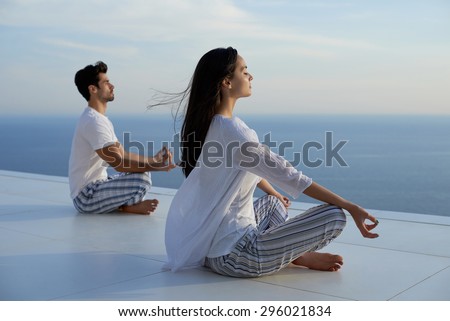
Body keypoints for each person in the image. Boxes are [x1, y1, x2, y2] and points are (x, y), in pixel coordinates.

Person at [164, 47, 379, 277]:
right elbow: (293, 177)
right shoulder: (236, 133)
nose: (250, 76)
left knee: (274, 202)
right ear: (227, 82)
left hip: (211, 246)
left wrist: (273, 191)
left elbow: (242, 172)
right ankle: (296, 255)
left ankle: (288, 253)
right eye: (244, 71)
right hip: (237, 257)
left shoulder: (212, 125)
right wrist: (351, 207)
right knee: (335, 216)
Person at [69, 61, 176, 215]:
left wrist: (154, 160)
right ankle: (125, 207)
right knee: (142, 180)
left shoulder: (99, 119)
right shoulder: (93, 121)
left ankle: (124, 206)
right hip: (86, 197)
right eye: (106, 83)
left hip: (99, 184)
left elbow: (123, 154)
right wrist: (158, 167)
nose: (112, 86)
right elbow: (119, 163)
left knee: (143, 173)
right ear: (93, 89)